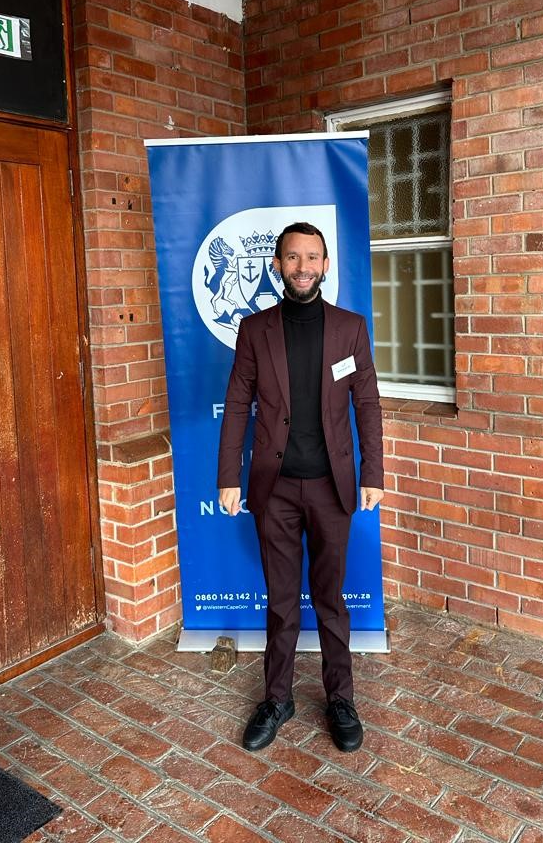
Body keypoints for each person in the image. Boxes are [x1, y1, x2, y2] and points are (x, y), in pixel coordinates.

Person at [217, 221, 384, 752]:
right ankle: (278, 698)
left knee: (331, 601)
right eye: (293, 258)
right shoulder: (255, 330)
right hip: (277, 488)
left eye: (312, 257)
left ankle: (341, 699)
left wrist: (374, 473)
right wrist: (227, 477)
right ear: (277, 265)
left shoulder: (350, 328)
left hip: (334, 487)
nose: (303, 267)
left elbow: (368, 404)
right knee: (282, 601)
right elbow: (238, 404)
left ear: (326, 265)